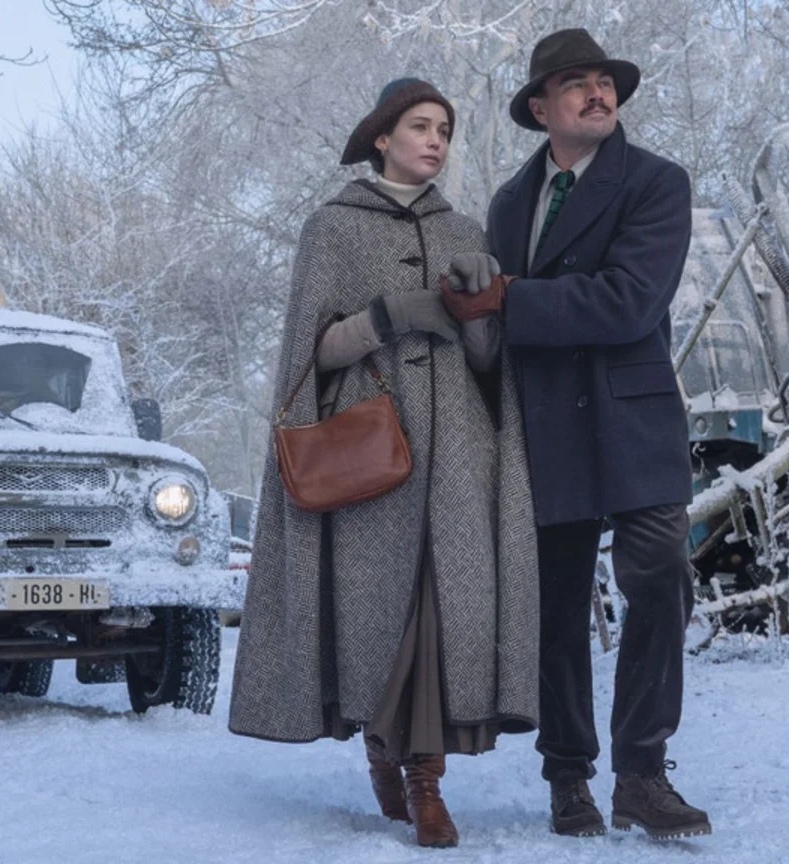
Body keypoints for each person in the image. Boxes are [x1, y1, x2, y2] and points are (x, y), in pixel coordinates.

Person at [229, 78, 540, 849]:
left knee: (443, 612)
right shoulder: (331, 229)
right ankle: (382, 749)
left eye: (445, 129)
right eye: (420, 127)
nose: (436, 141)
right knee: (383, 616)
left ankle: (424, 777)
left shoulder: (465, 227)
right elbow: (311, 352)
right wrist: (383, 317)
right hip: (371, 453)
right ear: (382, 137)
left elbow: (489, 364)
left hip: (462, 454)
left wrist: (477, 312)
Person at [440, 28, 712, 840]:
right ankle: (569, 779)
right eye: (576, 84)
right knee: (554, 610)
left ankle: (642, 772)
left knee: (660, 580)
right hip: (544, 428)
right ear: (540, 106)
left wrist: (511, 301)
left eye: (606, 81)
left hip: (634, 423)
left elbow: (630, 302)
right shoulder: (508, 203)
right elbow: (491, 324)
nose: (599, 93)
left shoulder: (658, 183)